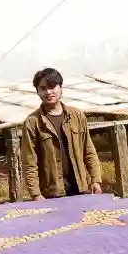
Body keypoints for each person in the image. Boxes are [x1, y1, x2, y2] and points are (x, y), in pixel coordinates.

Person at [20, 67, 103, 199]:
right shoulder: (32, 122)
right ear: (38, 92)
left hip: (81, 187)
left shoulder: (77, 116)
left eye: (52, 87)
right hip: (52, 193)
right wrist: (35, 194)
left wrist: (96, 180)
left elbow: (89, 150)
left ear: (60, 88)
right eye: (43, 88)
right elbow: (29, 161)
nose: (48, 92)